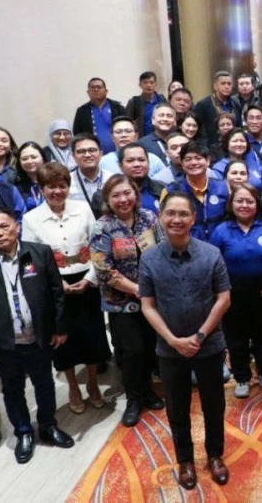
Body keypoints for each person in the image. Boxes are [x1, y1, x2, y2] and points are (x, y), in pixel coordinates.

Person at [0, 205, 73, 463]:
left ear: (16, 226)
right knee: (12, 390)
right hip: (4, 342)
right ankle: (23, 431)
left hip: (39, 336)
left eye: (4, 226)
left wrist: (59, 328)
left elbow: (56, 293)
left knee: (44, 384)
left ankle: (48, 426)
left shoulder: (36, 253)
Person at [138, 192, 232, 489]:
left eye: (183, 214)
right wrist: (174, 340)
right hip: (169, 349)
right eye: (171, 214)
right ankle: (185, 460)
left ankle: (215, 455)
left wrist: (200, 335)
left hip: (210, 343)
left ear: (193, 218)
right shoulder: (150, 258)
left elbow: (224, 299)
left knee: (214, 404)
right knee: (177, 408)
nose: (177, 219)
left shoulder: (211, 253)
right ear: (161, 217)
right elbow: (147, 305)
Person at [22, 163, 109, 414]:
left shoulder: (82, 210)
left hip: (85, 279)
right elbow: (28, 260)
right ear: (42, 189)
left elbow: (98, 245)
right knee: (63, 341)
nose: (57, 191)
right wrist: (53, 284)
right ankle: (73, 386)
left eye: (62, 186)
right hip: (54, 283)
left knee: (92, 335)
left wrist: (91, 277)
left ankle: (92, 383)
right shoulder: (31, 218)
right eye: (51, 187)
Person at [91, 174, 166, 427]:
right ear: (107, 200)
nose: (123, 199)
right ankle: (133, 399)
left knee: (150, 347)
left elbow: (164, 249)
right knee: (132, 351)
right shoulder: (102, 226)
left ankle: (147, 391)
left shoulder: (149, 218)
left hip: (153, 298)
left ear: (135, 193)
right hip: (121, 302)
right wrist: (137, 289)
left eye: (127, 193)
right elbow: (104, 270)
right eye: (116, 195)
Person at [209, 184, 262, 398]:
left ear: (257, 203)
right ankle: (241, 377)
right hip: (232, 292)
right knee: (236, 338)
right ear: (231, 204)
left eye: (249, 201)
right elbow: (213, 262)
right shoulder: (221, 231)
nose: (244, 205)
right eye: (239, 201)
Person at [166, 141, 229, 241]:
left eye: (198, 158)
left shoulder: (223, 187)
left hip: (220, 246)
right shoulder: (171, 191)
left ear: (208, 161)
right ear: (182, 164)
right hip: (187, 248)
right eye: (188, 159)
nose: (194, 163)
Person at [73, 78, 127, 154]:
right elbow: (78, 134)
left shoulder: (118, 108)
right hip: (92, 155)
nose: (96, 89)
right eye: (93, 87)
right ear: (88, 92)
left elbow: (128, 129)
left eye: (99, 87)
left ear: (106, 91)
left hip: (119, 153)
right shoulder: (82, 111)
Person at [67, 134, 114, 217]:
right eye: (81, 151)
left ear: (101, 154)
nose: (87, 155)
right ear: (73, 156)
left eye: (92, 150)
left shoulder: (112, 179)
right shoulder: (67, 182)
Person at [126, 71, 166, 137]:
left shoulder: (162, 100)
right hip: (142, 139)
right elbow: (128, 123)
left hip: (161, 137)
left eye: (151, 82)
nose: (148, 85)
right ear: (140, 85)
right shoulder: (134, 102)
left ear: (155, 84)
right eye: (145, 82)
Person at [14, 142, 46, 211]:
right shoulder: (14, 184)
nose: (30, 161)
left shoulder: (53, 179)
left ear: (42, 158)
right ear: (19, 162)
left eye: (34, 157)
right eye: (25, 159)